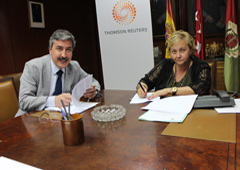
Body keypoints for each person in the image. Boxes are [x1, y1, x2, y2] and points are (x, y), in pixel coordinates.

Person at [16, 29, 101, 117]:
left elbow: (94, 82)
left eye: (68, 49)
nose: (64, 55)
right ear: (50, 49)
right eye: (59, 49)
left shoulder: (74, 66)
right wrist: (53, 101)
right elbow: (24, 101)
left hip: (60, 118)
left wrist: (93, 91)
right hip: (32, 120)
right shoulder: (33, 67)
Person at [137, 30, 211, 99]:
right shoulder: (165, 64)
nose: (178, 55)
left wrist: (168, 91)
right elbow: (145, 81)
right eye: (174, 51)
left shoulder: (201, 66)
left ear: (191, 49)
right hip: (163, 110)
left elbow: (201, 87)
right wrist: (142, 88)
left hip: (192, 111)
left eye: (182, 50)